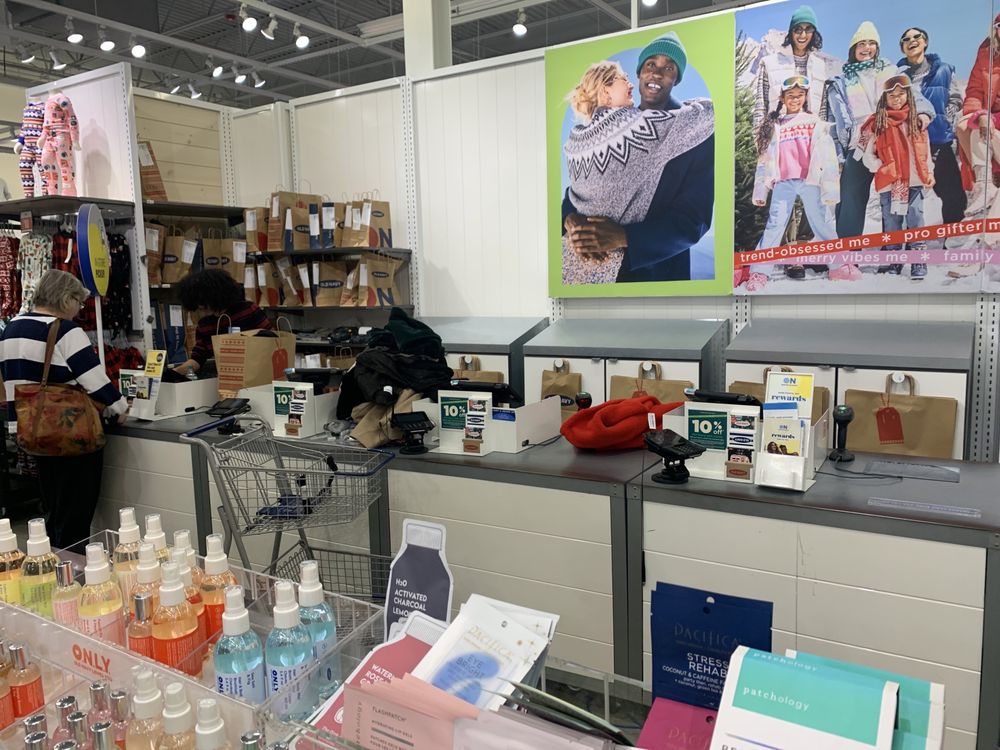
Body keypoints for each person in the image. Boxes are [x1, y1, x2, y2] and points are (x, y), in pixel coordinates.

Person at [562, 32, 715, 283]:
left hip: (658, 276)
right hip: (592, 274)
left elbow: (694, 220)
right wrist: (570, 219)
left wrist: (625, 237)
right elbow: (582, 187)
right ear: (640, 73)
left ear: (676, 79)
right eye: (650, 65)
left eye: (669, 68)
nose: (657, 73)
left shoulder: (695, 132)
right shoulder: (614, 132)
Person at [0, 269, 128, 550]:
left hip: (33, 431)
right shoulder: (65, 331)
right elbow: (94, 380)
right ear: (66, 298)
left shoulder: (11, 328)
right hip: (71, 432)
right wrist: (120, 406)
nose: (79, 310)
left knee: (53, 508)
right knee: (76, 514)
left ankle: (54, 562)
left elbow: (10, 384)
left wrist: (14, 425)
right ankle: (74, 568)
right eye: (79, 302)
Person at [823, 21, 934, 241]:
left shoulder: (891, 71)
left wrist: (922, 114)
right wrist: (837, 155)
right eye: (861, 44)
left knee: (892, 197)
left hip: (892, 138)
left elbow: (915, 97)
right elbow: (833, 123)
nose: (867, 48)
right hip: (859, 142)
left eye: (871, 43)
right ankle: (848, 248)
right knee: (850, 196)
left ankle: (892, 246)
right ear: (853, 48)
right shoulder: (841, 81)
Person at [744, 76, 851, 291]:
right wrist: (760, 191)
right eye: (790, 96)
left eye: (799, 95)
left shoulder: (814, 122)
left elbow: (828, 158)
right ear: (782, 99)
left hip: (810, 180)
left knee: (821, 221)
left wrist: (830, 189)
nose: (795, 99)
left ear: (806, 97)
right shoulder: (775, 125)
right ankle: (759, 273)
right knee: (775, 224)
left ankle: (839, 267)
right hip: (783, 181)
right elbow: (764, 160)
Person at [860, 74, 935, 279]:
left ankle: (918, 260)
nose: (897, 99)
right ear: (885, 98)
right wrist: (880, 166)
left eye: (901, 94)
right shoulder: (879, 123)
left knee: (915, 217)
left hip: (914, 179)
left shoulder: (916, 120)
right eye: (892, 96)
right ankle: (893, 259)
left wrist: (929, 172)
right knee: (892, 221)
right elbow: (868, 154)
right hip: (889, 181)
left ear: (908, 96)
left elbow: (925, 150)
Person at [896, 27, 966, 225]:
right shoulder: (898, 77)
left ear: (925, 42)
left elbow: (956, 99)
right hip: (910, 143)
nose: (912, 40)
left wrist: (945, 119)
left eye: (917, 37)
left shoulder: (944, 69)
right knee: (910, 199)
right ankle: (913, 240)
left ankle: (952, 237)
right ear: (902, 48)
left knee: (952, 194)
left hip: (939, 140)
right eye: (906, 39)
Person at [752, 5, 842, 144]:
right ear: (791, 32)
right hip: (779, 139)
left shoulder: (820, 66)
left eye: (808, 29)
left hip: (811, 140)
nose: (803, 35)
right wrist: (760, 144)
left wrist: (822, 140)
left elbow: (823, 110)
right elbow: (760, 106)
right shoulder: (770, 63)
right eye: (798, 29)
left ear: (814, 33)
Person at [171, 268, 271, 376]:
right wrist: (173, 373)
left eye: (203, 304)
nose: (201, 308)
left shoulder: (248, 311)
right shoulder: (204, 325)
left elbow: (272, 339)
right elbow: (197, 359)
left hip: (260, 373)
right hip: (229, 377)